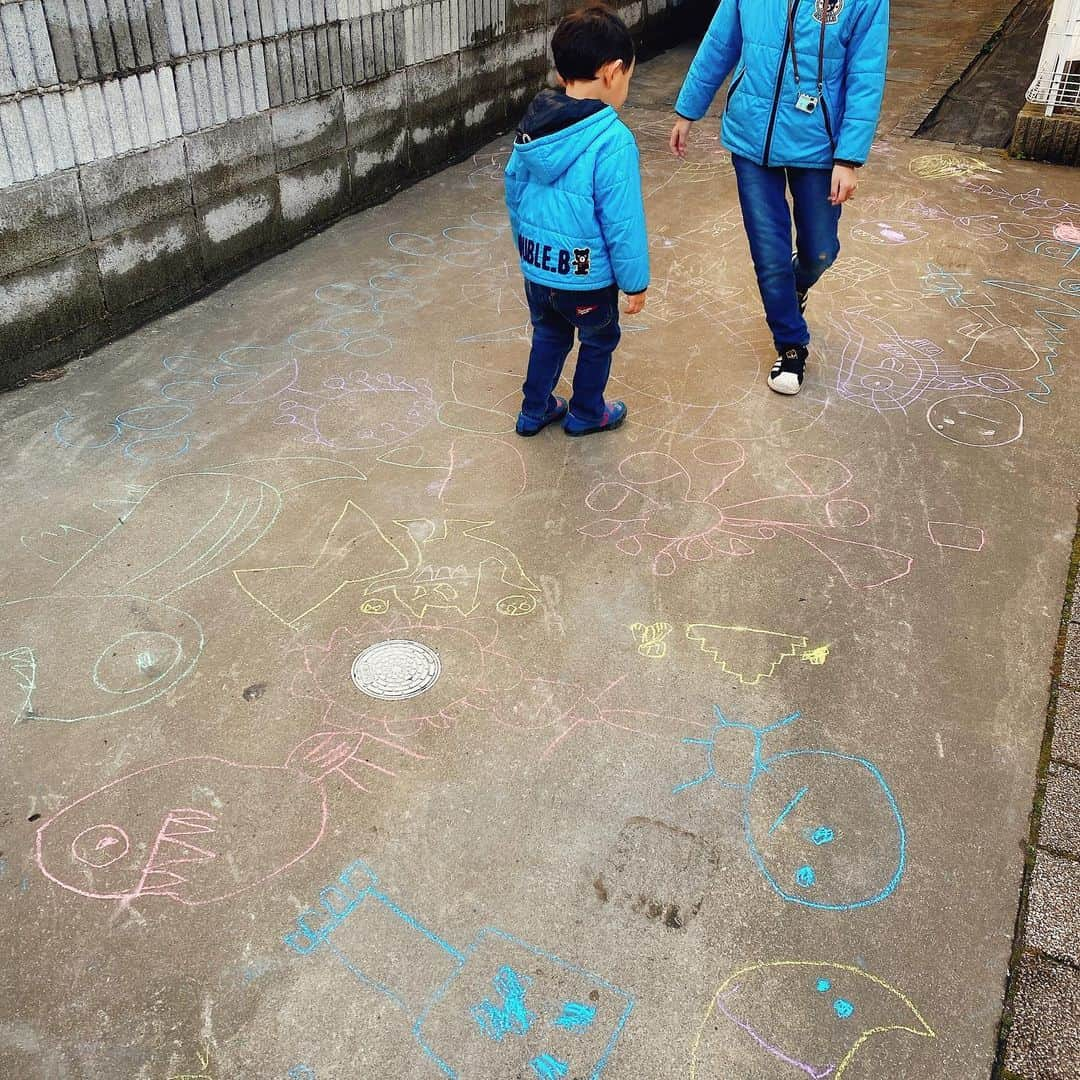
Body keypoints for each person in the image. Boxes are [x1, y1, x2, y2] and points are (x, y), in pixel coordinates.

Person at [670, 0, 889, 395]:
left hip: (819, 146)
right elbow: (721, 42)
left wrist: (849, 157)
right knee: (769, 256)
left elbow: (866, 72)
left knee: (820, 251)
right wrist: (688, 109)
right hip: (751, 139)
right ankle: (791, 344)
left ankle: (796, 284)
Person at [504, 4, 649, 437]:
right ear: (612, 72)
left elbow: (514, 191)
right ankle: (586, 412)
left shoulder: (534, 125)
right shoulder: (613, 139)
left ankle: (535, 410)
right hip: (586, 278)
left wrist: (528, 250)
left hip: (539, 269)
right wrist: (635, 280)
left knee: (548, 335)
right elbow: (623, 220)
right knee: (599, 338)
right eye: (628, 76)